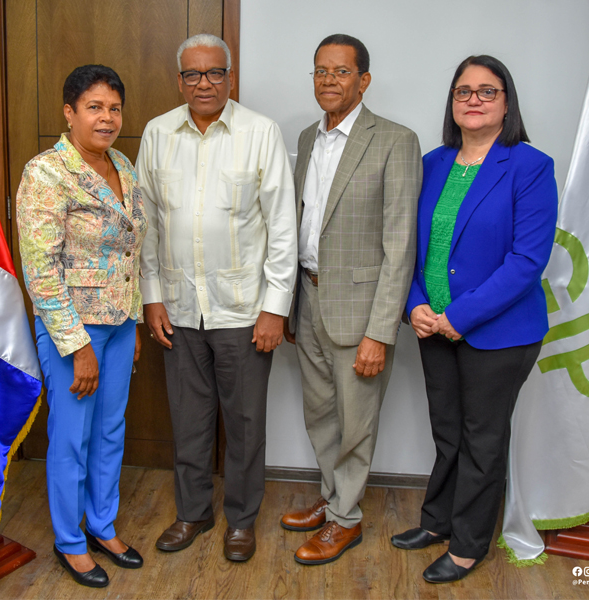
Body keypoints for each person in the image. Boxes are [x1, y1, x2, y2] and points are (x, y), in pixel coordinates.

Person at [391, 55, 558, 583]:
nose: (474, 99)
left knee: (482, 440)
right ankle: (438, 521)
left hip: (498, 332)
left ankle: (468, 545)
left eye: (487, 91)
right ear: (452, 102)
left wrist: (457, 317)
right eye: (464, 91)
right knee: (448, 434)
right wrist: (415, 303)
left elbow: (527, 262)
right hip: (431, 325)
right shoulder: (434, 162)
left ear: (507, 103)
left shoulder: (530, 167)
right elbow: (415, 247)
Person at [137, 34, 296, 562]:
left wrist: (275, 306)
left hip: (244, 309)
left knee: (245, 424)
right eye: (192, 75)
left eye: (213, 73)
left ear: (230, 77)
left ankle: (242, 520)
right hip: (179, 309)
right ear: (178, 80)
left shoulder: (260, 132)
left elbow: (282, 227)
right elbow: (148, 226)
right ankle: (193, 513)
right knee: (188, 418)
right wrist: (152, 297)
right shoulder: (158, 134)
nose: (203, 83)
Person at [281, 34, 421, 565]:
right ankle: (331, 497)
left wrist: (380, 331)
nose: (328, 81)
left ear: (363, 80)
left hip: (361, 311)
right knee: (320, 412)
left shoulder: (394, 140)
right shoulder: (306, 139)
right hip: (310, 299)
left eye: (340, 72)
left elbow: (399, 244)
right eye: (320, 71)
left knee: (356, 418)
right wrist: (291, 302)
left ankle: (347, 519)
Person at [17, 65, 147, 588]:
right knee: (72, 437)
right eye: (94, 107)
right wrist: (76, 346)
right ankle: (70, 541)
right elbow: (40, 269)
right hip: (72, 331)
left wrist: (133, 321)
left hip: (118, 323)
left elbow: (134, 253)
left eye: (114, 108)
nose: (107, 117)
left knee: (110, 432)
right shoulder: (46, 173)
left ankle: (102, 524)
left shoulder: (123, 164)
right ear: (69, 113)